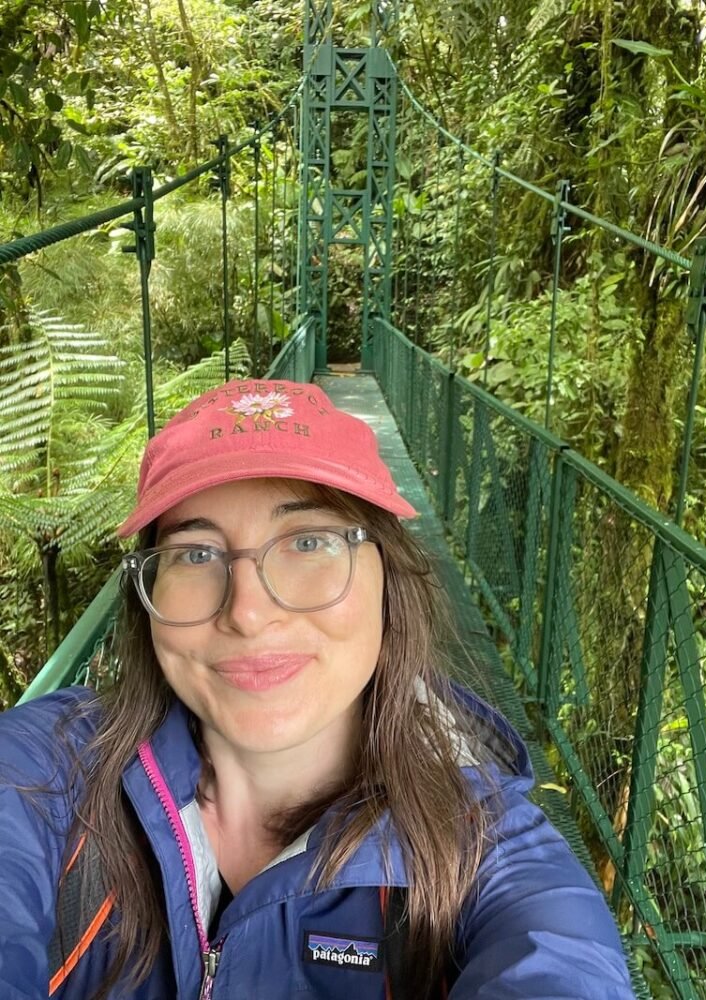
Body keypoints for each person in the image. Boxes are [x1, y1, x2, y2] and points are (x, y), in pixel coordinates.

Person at [0, 378, 635, 1000]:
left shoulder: (482, 850)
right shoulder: (46, 771)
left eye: (309, 541)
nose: (247, 613)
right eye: (195, 553)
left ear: (388, 578)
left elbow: (557, 960)